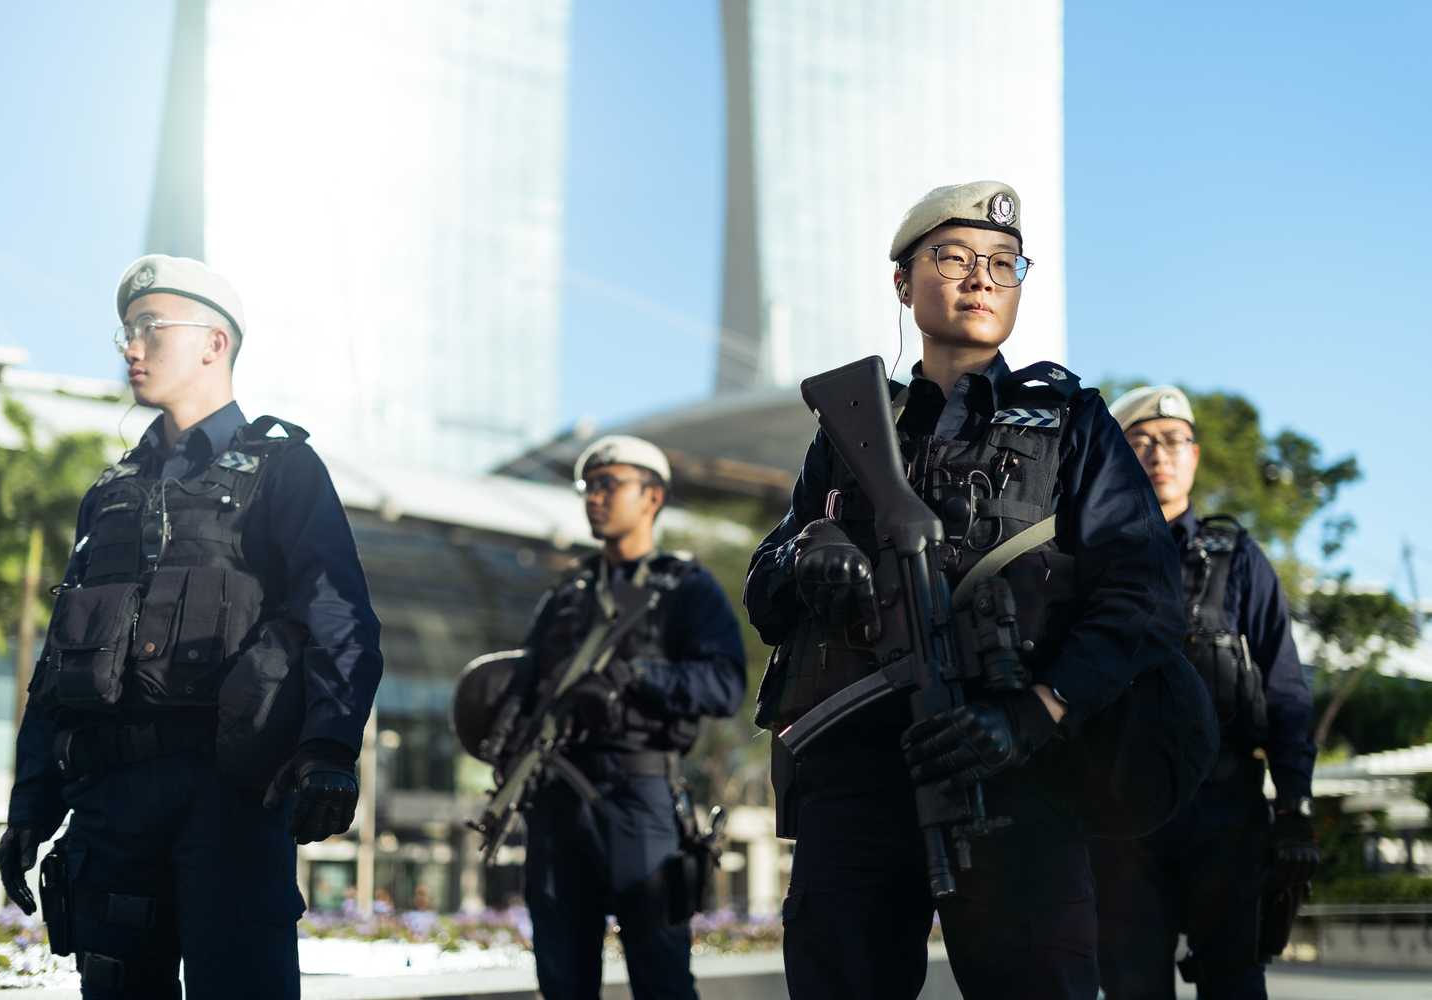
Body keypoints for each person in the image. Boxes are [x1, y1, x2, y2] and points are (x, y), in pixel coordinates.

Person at [744, 181, 1192, 999]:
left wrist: (1038, 711)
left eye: (1002, 263)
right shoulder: (850, 424)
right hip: (856, 780)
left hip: (1013, 771)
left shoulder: (1072, 423)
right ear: (904, 283)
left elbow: (1145, 594)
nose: (981, 279)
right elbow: (765, 588)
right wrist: (810, 553)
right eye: (953, 257)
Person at [0, 254, 384, 1000]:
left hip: (228, 795)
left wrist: (330, 746)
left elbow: (337, 612)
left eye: (148, 328)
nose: (130, 348)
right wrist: (28, 807)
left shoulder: (282, 469)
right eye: (125, 333)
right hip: (110, 801)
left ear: (214, 343)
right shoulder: (110, 491)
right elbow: (60, 658)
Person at [1091, 386, 1318, 999]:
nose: (1158, 455)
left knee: (1234, 983)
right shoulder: (1091, 560)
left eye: (1172, 441)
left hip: (1226, 812)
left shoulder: (1240, 560)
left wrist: (1295, 806)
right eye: (1140, 443)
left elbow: (1286, 689)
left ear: (1194, 455)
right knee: (1131, 985)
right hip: (1122, 816)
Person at [516, 436, 745, 1000]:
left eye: (608, 485)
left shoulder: (684, 587)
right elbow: (521, 692)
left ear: (652, 497)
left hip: (639, 795)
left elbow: (725, 685)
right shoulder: (567, 593)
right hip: (556, 794)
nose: (594, 498)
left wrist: (636, 677)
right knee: (562, 979)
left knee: (661, 975)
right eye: (588, 487)